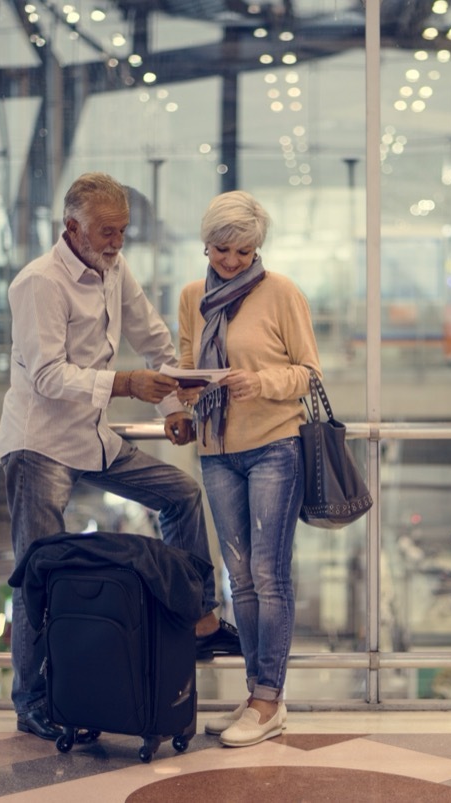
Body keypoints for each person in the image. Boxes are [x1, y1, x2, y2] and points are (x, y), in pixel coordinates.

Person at [0, 172, 241, 742]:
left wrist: (174, 407)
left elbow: (154, 337)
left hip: (91, 436)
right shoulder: (38, 283)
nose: (116, 241)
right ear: (71, 228)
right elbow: (50, 376)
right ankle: (31, 704)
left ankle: (198, 617)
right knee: (35, 572)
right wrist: (129, 385)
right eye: (107, 231)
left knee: (180, 494)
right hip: (39, 444)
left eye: (123, 231)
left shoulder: (114, 269)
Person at [176, 190, 322, 747]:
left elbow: (308, 373)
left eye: (243, 250)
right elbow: (187, 364)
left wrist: (258, 381)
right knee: (239, 581)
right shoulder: (194, 296)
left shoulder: (281, 293)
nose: (231, 261)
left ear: (258, 247)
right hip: (216, 450)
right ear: (206, 244)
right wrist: (184, 395)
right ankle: (257, 694)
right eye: (221, 250)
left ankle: (269, 699)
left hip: (273, 447)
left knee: (268, 575)